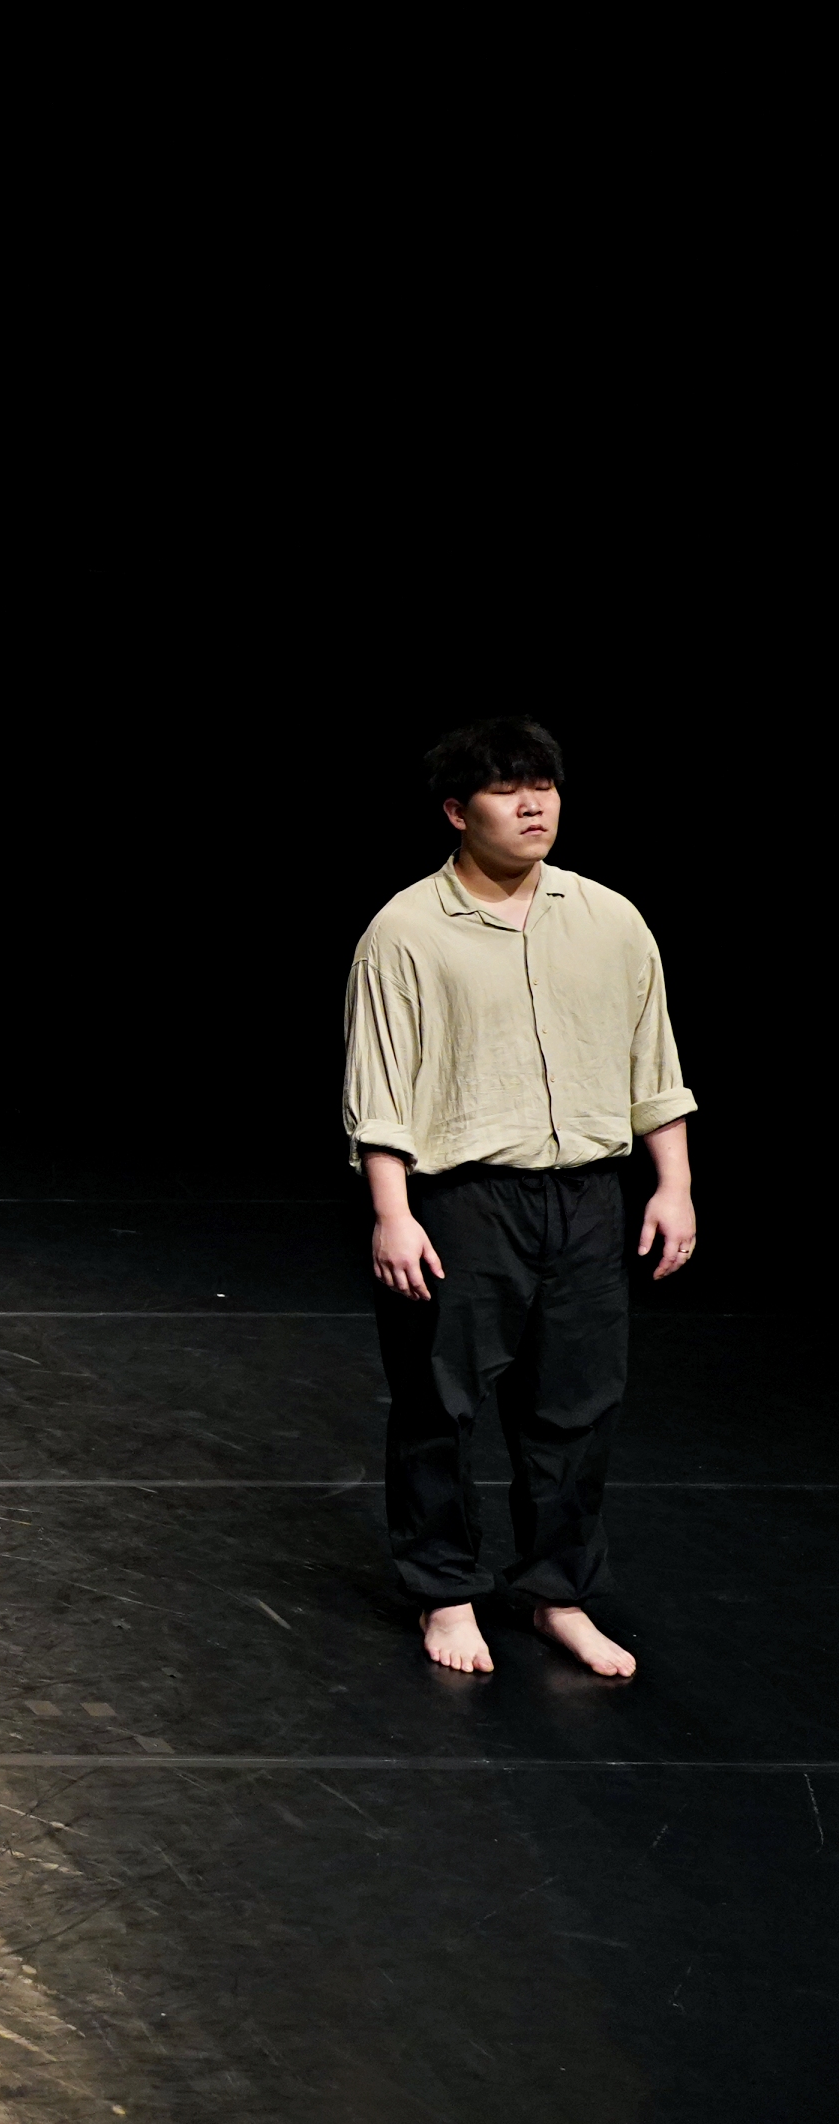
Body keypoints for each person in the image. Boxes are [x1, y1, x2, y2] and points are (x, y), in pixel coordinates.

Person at [346, 716, 697, 1680]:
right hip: (463, 1200)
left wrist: (673, 1183)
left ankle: (556, 1592)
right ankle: (445, 1590)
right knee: (440, 1404)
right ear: (458, 812)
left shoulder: (610, 919)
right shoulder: (407, 930)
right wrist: (392, 1212)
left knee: (578, 1406)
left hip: (588, 1198)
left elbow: (653, 1062)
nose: (533, 805)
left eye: (543, 785)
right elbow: (379, 1085)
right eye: (507, 789)